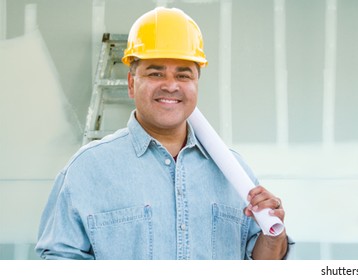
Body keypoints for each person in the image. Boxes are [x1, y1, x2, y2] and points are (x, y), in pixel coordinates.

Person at [35, 7, 291, 260]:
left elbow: (263, 263)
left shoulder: (235, 172)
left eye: (183, 75)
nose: (170, 85)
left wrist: (273, 237)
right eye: (156, 73)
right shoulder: (87, 169)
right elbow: (59, 260)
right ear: (132, 83)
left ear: (196, 85)